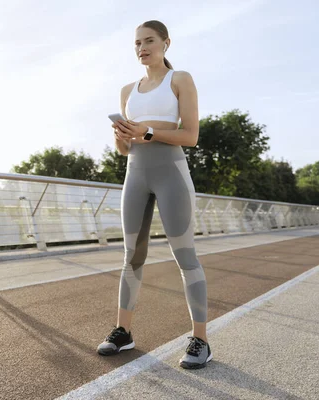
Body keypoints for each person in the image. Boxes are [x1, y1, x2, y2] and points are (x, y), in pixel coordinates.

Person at [97, 20, 212, 369]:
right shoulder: (127, 90)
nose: (142, 48)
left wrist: (146, 130)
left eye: (149, 41)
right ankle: (123, 332)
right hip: (135, 175)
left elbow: (190, 136)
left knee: (185, 256)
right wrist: (121, 133)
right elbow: (122, 149)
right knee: (132, 255)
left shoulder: (181, 80)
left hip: (171, 174)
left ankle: (201, 340)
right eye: (137, 43)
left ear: (166, 43)